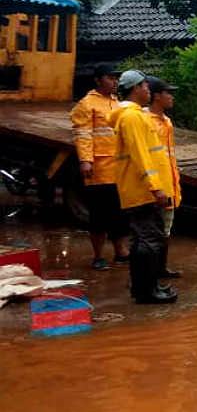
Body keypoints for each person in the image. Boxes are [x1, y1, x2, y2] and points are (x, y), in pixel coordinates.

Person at [108, 70, 178, 304]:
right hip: (143, 190)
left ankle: (144, 287)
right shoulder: (132, 117)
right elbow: (141, 156)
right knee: (149, 238)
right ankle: (148, 291)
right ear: (135, 88)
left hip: (139, 189)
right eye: (146, 87)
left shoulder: (132, 115)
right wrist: (155, 187)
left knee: (141, 239)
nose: (149, 91)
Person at [69, 63, 131, 270]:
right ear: (98, 81)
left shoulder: (117, 103)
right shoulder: (87, 104)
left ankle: (121, 253)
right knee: (100, 214)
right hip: (100, 169)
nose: (115, 81)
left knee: (120, 213)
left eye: (116, 78)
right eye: (110, 78)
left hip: (119, 169)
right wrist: (85, 160)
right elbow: (83, 134)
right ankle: (98, 256)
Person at [145, 76, 182, 278]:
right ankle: (151, 271)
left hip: (169, 183)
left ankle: (160, 267)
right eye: (169, 93)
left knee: (165, 228)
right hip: (155, 185)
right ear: (157, 96)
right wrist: (155, 185)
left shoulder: (166, 121)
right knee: (152, 230)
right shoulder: (145, 121)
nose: (172, 97)